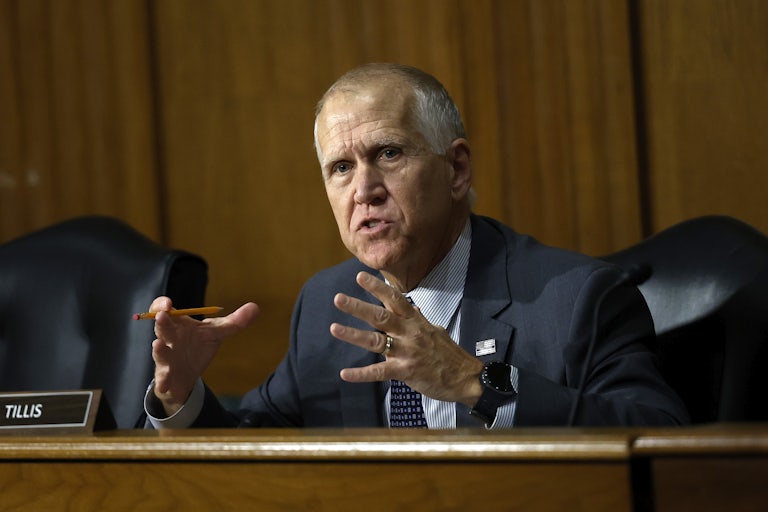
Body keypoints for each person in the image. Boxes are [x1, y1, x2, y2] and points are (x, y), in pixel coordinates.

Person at [144, 63, 688, 429]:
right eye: (340, 168)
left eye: (387, 154)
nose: (364, 190)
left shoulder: (576, 300)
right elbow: (250, 455)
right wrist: (182, 395)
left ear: (456, 169)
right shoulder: (324, 305)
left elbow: (661, 440)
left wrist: (477, 381)